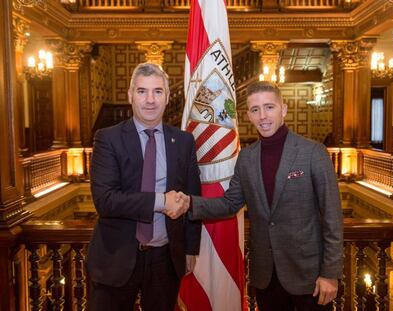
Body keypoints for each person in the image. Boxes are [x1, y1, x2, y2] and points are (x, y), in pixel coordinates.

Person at [173, 81, 343, 310]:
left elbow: (333, 217)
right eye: (255, 110)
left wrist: (330, 273)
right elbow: (230, 203)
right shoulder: (246, 158)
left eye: (269, 107)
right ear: (248, 116)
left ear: (283, 109)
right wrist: (188, 203)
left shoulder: (313, 152)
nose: (263, 116)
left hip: (309, 277)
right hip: (266, 277)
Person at [86, 62, 201, 311]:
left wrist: (191, 248)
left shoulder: (183, 141)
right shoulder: (108, 138)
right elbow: (105, 201)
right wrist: (162, 201)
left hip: (165, 259)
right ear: (130, 96)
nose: (150, 100)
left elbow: (192, 197)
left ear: (168, 97)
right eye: (142, 91)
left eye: (158, 91)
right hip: (115, 258)